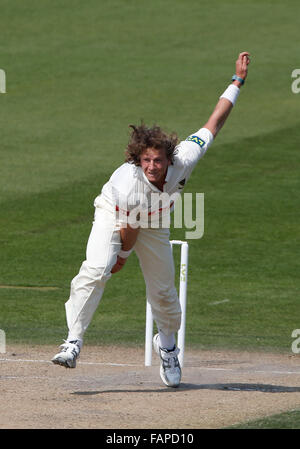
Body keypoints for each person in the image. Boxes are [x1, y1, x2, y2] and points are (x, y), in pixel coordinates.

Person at [52, 51, 251, 388]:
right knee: (97, 268)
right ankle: (73, 340)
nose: (152, 167)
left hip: (155, 223)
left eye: (157, 160)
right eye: (146, 160)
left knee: (163, 293)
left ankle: (168, 347)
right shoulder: (128, 182)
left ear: (168, 158)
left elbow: (213, 123)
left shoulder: (184, 158)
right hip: (114, 212)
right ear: (138, 159)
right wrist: (120, 259)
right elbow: (127, 230)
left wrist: (237, 81)